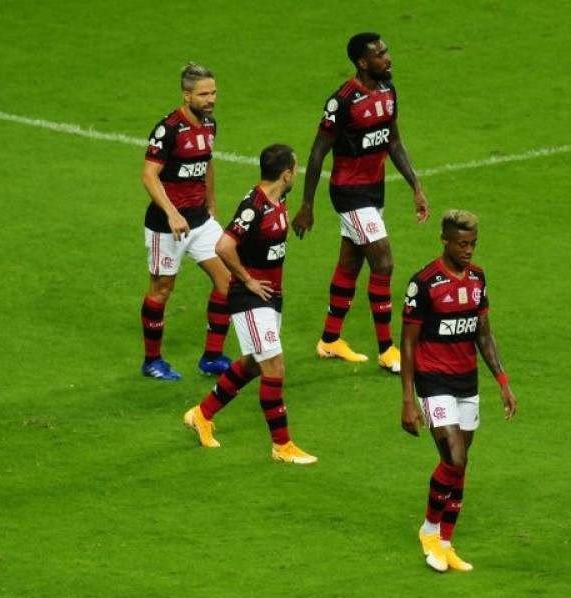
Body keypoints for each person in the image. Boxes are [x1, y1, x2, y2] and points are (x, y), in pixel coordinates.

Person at [292, 32, 430, 374]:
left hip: (374, 191)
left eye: (387, 50)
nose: (389, 58)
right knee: (382, 261)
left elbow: (393, 142)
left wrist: (416, 186)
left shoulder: (388, 91)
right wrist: (307, 205)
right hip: (349, 193)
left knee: (351, 264)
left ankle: (330, 340)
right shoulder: (343, 100)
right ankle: (387, 349)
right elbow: (317, 151)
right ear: (362, 62)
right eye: (381, 54)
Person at [183, 144, 317, 465]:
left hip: (271, 298)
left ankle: (201, 415)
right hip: (251, 298)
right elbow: (223, 245)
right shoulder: (253, 206)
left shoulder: (278, 199)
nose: (295, 174)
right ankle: (282, 445)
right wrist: (247, 279)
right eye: (294, 169)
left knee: (254, 364)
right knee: (275, 366)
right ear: (286, 175)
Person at [401, 210, 517, 572]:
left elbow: (483, 333)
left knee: (460, 463)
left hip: (467, 382)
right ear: (445, 240)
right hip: (433, 381)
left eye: (473, 244)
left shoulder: (478, 278)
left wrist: (502, 381)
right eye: (462, 244)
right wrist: (407, 399)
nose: (468, 251)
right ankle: (429, 530)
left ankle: (446, 542)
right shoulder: (424, 283)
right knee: (454, 457)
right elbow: (407, 344)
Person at [139, 62, 233, 381]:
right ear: (186, 95)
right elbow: (149, 175)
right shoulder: (168, 129)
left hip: (200, 220)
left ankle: (212, 356)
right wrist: (172, 212)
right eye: (204, 94)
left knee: (228, 281)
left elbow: (206, 165)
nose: (211, 99)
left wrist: (212, 206)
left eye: (214, 92)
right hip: (167, 226)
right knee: (162, 289)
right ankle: (152, 361)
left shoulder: (209, 126)